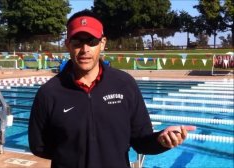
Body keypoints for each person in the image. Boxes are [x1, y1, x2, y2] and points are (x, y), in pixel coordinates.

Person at [28, 9, 196, 168]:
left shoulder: (124, 84)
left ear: (102, 43)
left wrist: (160, 140)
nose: (85, 49)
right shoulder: (49, 93)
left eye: (91, 41)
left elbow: (141, 141)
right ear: (67, 45)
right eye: (77, 42)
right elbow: (38, 146)